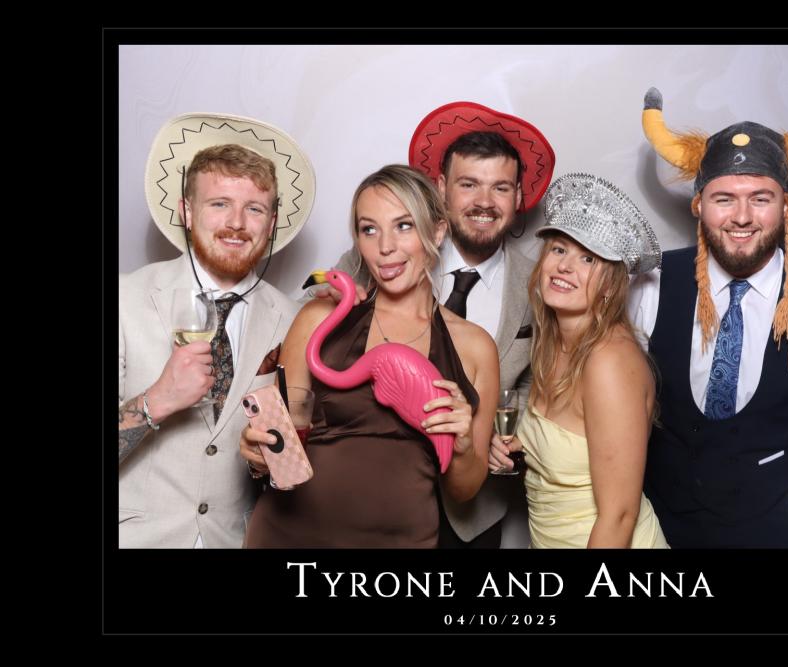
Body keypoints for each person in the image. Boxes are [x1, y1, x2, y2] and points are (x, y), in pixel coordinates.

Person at [636, 87, 788, 547]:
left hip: (768, 534)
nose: (742, 217)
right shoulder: (650, 283)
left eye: (761, 198)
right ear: (699, 205)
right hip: (654, 531)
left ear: (786, 206)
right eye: (724, 198)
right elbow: (607, 397)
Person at [323, 102, 555, 548]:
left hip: (471, 513)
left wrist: (507, 434)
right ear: (442, 188)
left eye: (500, 188)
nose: (484, 202)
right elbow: (311, 327)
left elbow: (542, 382)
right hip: (368, 501)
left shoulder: (541, 285)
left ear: (518, 197)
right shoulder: (383, 255)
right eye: (468, 184)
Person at [241, 164, 499, 548]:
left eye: (404, 226)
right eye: (369, 229)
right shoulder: (318, 318)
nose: (385, 247)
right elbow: (280, 441)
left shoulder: (474, 347)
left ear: (437, 231)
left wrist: (461, 445)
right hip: (288, 537)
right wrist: (257, 454)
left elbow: (464, 491)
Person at [118, 113, 315, 548]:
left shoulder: (294, 320)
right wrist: (157, 401)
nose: (236, 223)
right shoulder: (123, 299)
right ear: (187, 212)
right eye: (219, 204)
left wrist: (267, 462)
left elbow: (292, 465)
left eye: (254, 208)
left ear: (272, 222)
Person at [490, 172, 668, 548]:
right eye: (559, 250)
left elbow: (619, 517)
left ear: (611, 286)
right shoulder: (554, 342)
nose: (565, 266)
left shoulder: (609, 362)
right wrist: (520, 445)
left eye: (587, 258)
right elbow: (573, 445)